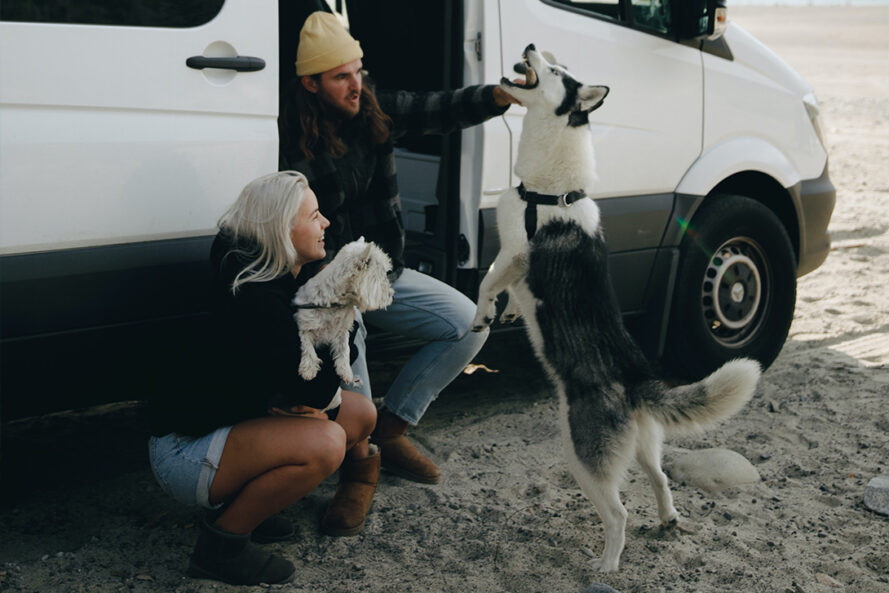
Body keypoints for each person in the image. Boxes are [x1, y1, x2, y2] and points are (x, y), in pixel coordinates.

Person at [279, 11, 519, 484]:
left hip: (381, 272)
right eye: (341, 77)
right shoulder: (288, 139)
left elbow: (439, 107)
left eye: (358, 71)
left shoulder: (372, 108)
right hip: (326, 288)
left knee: (470, 322)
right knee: (353, 359)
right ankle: (360, 464)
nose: (355, 85)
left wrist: (496, 95)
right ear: (310, 85)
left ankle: (391, 430)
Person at [147, 171, 379, 586]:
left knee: (359, 414)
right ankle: (221, 547)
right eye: (314, 216)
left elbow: (326, 383)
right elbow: (323, 387)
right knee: (326, 443)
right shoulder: (257, 299)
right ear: (282, 231)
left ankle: (246, 504)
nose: (326, 223)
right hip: (183, 452)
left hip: (229, 420)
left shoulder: (278, 275)